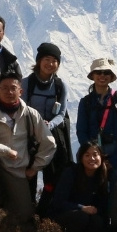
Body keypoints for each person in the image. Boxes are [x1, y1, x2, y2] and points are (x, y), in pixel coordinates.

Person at [0, 71, 56, 222]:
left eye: (13, 88)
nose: (9, 92)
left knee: (24, 215)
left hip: (17, 172)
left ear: (20, 91)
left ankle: (3, 199)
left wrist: (35, 167)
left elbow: (49, 143)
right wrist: (5, 150)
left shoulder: (31, 115)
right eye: (4, 88)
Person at [23, 42, 73, 214]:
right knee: (29, 170)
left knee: (53, 175)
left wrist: (49, 125)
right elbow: (21, 110)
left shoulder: (60, 86)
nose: (50, 64)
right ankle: (28, 207)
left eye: (54, 60)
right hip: (29, 134)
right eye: (47, 59)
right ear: (39, 61)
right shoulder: (26, 84)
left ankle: (45, 209)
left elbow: (62, 113)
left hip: (52, 133)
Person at [75, 58, 117, 187]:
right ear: (93, 76)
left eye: (106, 72)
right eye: (98, 72)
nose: (102, 76)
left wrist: (116, 158)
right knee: (92, 190)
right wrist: (92, 154)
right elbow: (81, 131)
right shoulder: (85, 102)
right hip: (93, 153)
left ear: (111, 76)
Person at [50, 141, 110, 232]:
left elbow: (102, 204)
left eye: (95, 155)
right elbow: (58, 202)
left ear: (101, 157)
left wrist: (95, 210)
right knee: (81, 216)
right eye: (87, 155)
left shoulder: (101, 176)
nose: (92, 158)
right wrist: (81, 208)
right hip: (61, 216)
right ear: (81, 158)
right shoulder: (71, 173)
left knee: (97, 220)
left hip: (85, 217)